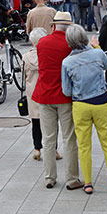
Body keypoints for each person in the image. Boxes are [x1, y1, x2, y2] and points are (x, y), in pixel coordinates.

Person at [61, 24, 107, 195]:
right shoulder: (97, 53)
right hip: (100, 101)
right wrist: (97, 47)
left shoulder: (67, 62)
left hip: (80, 104)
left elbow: (66, 91)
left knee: (84, 145)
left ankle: (88, 183)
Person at [32, 11, 83, 190]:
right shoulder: (70, 45)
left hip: (45, 95)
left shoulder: (42, 43)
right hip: (65, 96)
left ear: (53, 25)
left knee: (48, 139)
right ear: (69, 27)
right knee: (69, 138)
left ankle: (49, 177)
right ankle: (71, 178)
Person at [23, 27, 60, 161]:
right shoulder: (49, 54)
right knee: (52, 122)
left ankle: (37, 148)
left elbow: (23, 75)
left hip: (32, 91)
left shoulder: (26, 56)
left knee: (35, 121)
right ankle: (54, 149)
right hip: (47, 89)